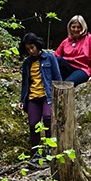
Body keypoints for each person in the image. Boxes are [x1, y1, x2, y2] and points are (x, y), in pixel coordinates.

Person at [19, 32, 62, 163]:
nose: (31, 51)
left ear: (37, 45)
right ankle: (36, 152)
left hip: (47, 96)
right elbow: (25, 83)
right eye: (28, 49)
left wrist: (59, 95)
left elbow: (57, 77)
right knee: (33, 124)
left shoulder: (49, 58)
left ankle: (50, 148)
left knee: (48, 118)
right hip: (32, 97)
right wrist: (22, 100)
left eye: (32, 47)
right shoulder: (26, 64)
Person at [54, 15, 91, 85]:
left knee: (67, 83)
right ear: (70, 28)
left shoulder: (90, 38)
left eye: (78, 27)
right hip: (67, 67)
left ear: (83, 27)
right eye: (73, 27)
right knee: (57, 59)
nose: (76, 29)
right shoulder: (66, 41)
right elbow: (55, 56)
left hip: (82, 69)